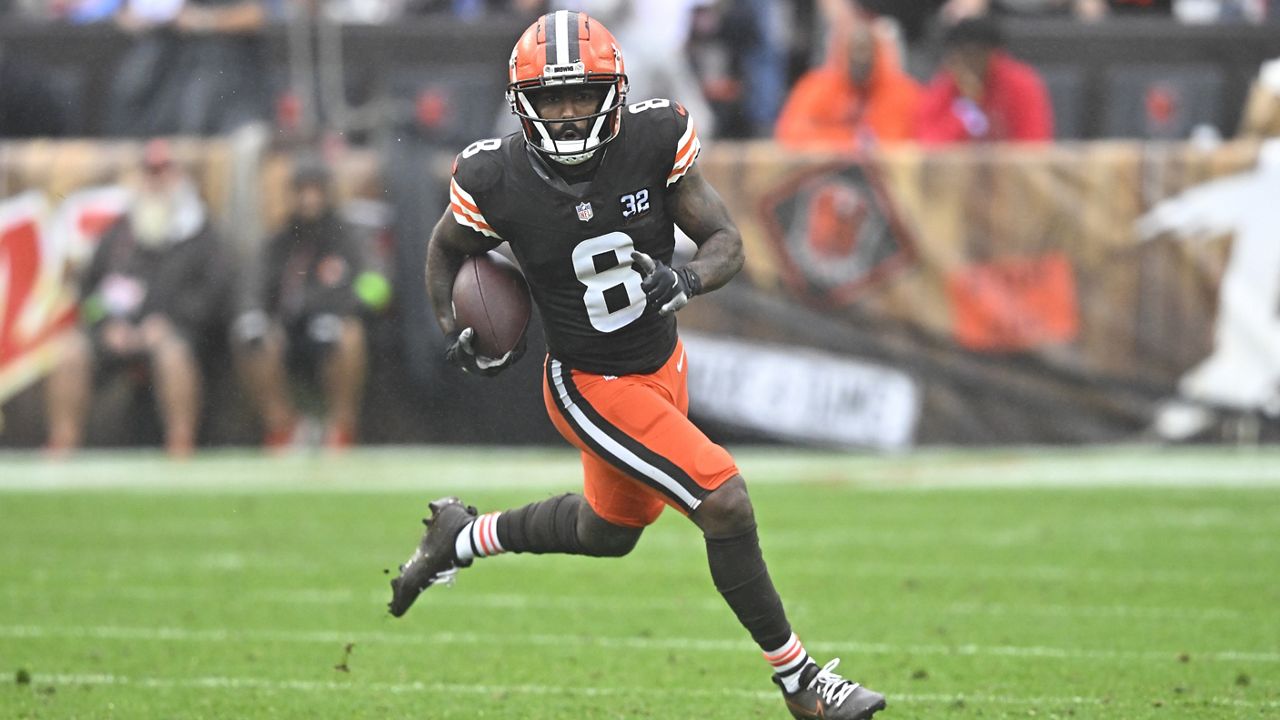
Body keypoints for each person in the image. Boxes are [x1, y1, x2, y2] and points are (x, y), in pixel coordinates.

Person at [387, 10, 886, 720]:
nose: (566, 112)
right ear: (522, 103)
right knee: (724, 501)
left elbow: (724, 240)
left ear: (613, 94)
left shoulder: (653, 139)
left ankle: (460, 537)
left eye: (581, 95)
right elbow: (444, 248)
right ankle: (802, 683)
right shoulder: (494, 175)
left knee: (609, 532)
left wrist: (685, 281)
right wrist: (453, 323)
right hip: (590, 382)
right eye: (552, 97)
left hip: (660, 362)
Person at [45, 139, 231, 456]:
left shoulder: (200, 234)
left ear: (178, 177)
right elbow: (90, 296)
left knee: (174, 354)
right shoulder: (118, 235)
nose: (156, 181)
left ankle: (180, 442)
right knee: (70, 352)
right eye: (149, 172)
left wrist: (171, 323)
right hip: (119, 333)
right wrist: (105, 324)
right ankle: (64, 441)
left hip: (175, 334)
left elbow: (213, 296)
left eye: (163, 172)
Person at [231, 158, 383, 450]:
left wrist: (341, 311)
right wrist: (252, 315)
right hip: (287, 329)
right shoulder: (277, 242)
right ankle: (283, 427)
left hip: (334, 326)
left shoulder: (349, 238)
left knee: (350, 335)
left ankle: (341, 429)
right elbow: (251, 287)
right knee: (252, 340)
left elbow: (377, 286)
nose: (308, 199)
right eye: (302, 190)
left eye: (315, 190)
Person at [775, 14, 922, 149]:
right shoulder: (817, 86)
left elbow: (902, 139)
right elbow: (792, 132)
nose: (860, 59)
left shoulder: (902, 91)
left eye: (866, 49)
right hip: (827, 172)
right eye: (854, 49)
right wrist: (851, 140)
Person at [915, 15, 1053, 144]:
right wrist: (967, 104)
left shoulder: (1020, 83)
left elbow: (1034, 142)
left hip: (1011, 167)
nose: (971, 62)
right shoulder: (946, 84)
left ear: (994, 53)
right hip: (957, 168)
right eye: (964, 54)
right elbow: (929, 143)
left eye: (977, 54)